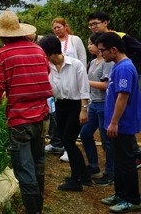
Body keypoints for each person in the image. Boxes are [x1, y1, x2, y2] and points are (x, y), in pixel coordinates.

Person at [0, 11, 52, 214]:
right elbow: (43, 76)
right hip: (43, 116)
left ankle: (33, 211)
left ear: (1, 34)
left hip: (20, 119)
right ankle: (39, 206)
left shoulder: (1, 55)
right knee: (39, 161)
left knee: (24, 169)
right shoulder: (38, 51)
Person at [88, 11, 141, 169]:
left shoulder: (121, 41)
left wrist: (114, 122)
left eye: (95, 23)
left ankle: (128, 191)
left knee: (124, 155)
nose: (93, 27)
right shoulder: (112, 60)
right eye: (90, 25)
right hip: (114, 111)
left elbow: (123, 96)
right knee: (120, 153)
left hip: (122, 119)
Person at [38, 35, 91, 191]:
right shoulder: (48, 67)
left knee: (68, 141)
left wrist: (83, 109)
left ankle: (77, 180)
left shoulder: (75, 65)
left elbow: (84, 89)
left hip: (76, 106)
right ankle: (82, 175)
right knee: (66, 140)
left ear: (52, 51)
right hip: (60, 105)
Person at [95, 32, 141, 212]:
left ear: (113, 49)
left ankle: (132, 198)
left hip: (123, 124)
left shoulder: (125, 68)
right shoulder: (116, 65)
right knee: (119, 160)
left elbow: (123, 97)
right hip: (116, 123)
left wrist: (114, 122)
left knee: (126, 161)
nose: (101, 54)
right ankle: (120, 193)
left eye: (102, 51)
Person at [46, 18, 88, 161]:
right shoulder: (50, 54)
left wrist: (84, 106)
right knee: (61, 129)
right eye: (54, 28)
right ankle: (61, 146)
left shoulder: (74, 40)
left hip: (75, 86)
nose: (57, 30)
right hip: (60, 94)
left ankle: (70, 153)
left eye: (59, 27)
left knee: (70, 134)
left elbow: (82, 59)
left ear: (66, 27)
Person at [79, 32, 115, 186]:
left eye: (91, 44)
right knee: (85, 133)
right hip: (94, 104)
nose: (89, 47)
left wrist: (85, 82)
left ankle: (110, 173)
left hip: (104, 104)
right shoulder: (93, 62)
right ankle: (94, 166)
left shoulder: (108, 63)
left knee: (107, 140)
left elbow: (106, 86)